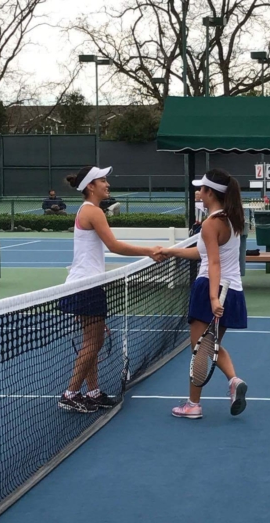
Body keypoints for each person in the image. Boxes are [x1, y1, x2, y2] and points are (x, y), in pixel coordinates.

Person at [58, 165, 163, 414]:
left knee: (92, 342)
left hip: (85, 285)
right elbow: (114, 246)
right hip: (85, 286)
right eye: (102, 180)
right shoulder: (93, 211)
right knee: (93, 343)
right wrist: (149, 251)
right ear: (91, 186)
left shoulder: (90, 210)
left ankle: (92, 392)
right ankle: (70, 394)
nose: (107, 184)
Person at [161, 168, 248, 420]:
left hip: (211, 288)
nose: (198, 192)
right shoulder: (231, 219)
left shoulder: (212, 223)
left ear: (210, 193)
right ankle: (233, 381)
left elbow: (214, 265)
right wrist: (170, 252)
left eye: (201, 189)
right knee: (210, 346)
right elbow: (205, 254)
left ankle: (193, 404)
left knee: (200, 349)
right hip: (232, 291)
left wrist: (211, 298)